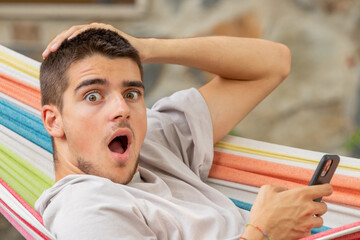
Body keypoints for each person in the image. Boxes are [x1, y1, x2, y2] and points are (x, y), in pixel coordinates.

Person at [35, 23, 332, 240]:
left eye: (131, 93)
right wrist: (262, 232)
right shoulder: (86, 209)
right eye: (93, 96)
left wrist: (148, 48)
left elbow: (273, 63)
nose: (121, 109)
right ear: (53, 121)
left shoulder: (154, 144)